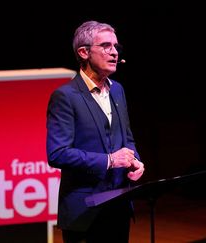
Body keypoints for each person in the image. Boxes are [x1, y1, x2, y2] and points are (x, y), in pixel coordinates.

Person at [46, 20, 145, 243]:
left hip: (119, 205)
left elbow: (126, 138)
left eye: (116, 47)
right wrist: (109, 160)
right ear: (83, 52)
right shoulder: (66, 97)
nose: (114, 53)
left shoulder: (117, 90)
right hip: (84, 211)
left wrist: (135, 160)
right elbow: (57, 153)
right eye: (106, 46)